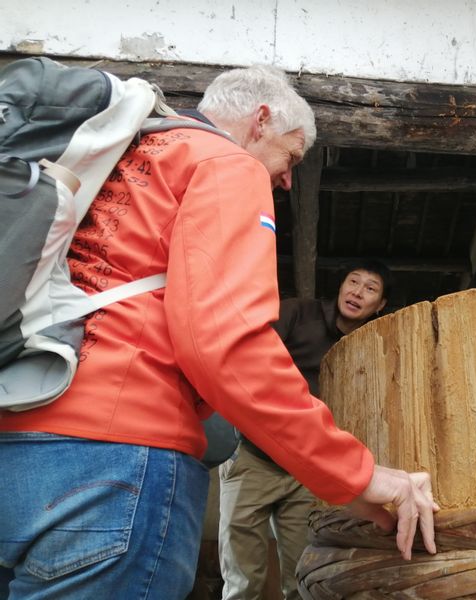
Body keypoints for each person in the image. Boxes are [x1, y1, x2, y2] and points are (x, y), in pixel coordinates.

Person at [0, 64, 438, 600]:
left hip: (18, 443)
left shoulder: (116, 158)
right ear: (260, 121)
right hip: (117, 461)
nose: (286, 179)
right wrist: (359, 476)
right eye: (291, 157)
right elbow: (227, 346)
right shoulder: (225, 163)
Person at [219, 259, 392, 600]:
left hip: (308, 473)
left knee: (304, 576)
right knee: (242, 580)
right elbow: (252, 356)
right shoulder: (298, 313)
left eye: (370, 289)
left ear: (380, 305)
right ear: (341, 285)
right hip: (254, 459)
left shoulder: (370, 347)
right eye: (353, 281)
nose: (357, 292)